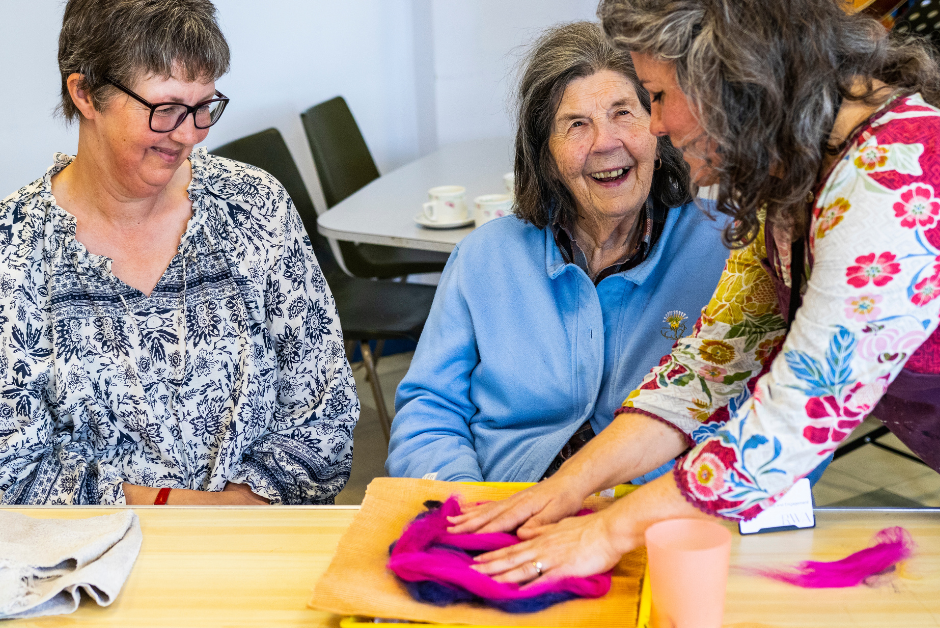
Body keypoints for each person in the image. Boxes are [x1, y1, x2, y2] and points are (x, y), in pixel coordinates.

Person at [451, 0, 940, 585]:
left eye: (655, 96)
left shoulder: (895, 181)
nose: (653, 125)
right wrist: (564, 489)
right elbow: (711, 363)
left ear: (728, 79)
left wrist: (606, 531)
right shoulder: (797, 178)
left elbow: (794, 416)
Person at [0, 0, 358, 505]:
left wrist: (238, 513)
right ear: (84, 93)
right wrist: (185, 513)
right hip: (92, 567)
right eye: (164, 109)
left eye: (203, 107)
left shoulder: (252, 206)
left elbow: (324, 407)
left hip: (263, 542)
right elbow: (13, 472)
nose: (190, 134)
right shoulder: (14, 249)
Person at [385, 22, 729, 484]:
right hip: (506, 505)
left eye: (624, 113)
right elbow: (430, 409)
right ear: (545, 156)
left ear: (660, 131)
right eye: (576, 125)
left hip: (660, 517)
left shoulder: (727, 247)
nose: (606, 142)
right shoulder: (485, 258)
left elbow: (765, 413)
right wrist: (464, 506)